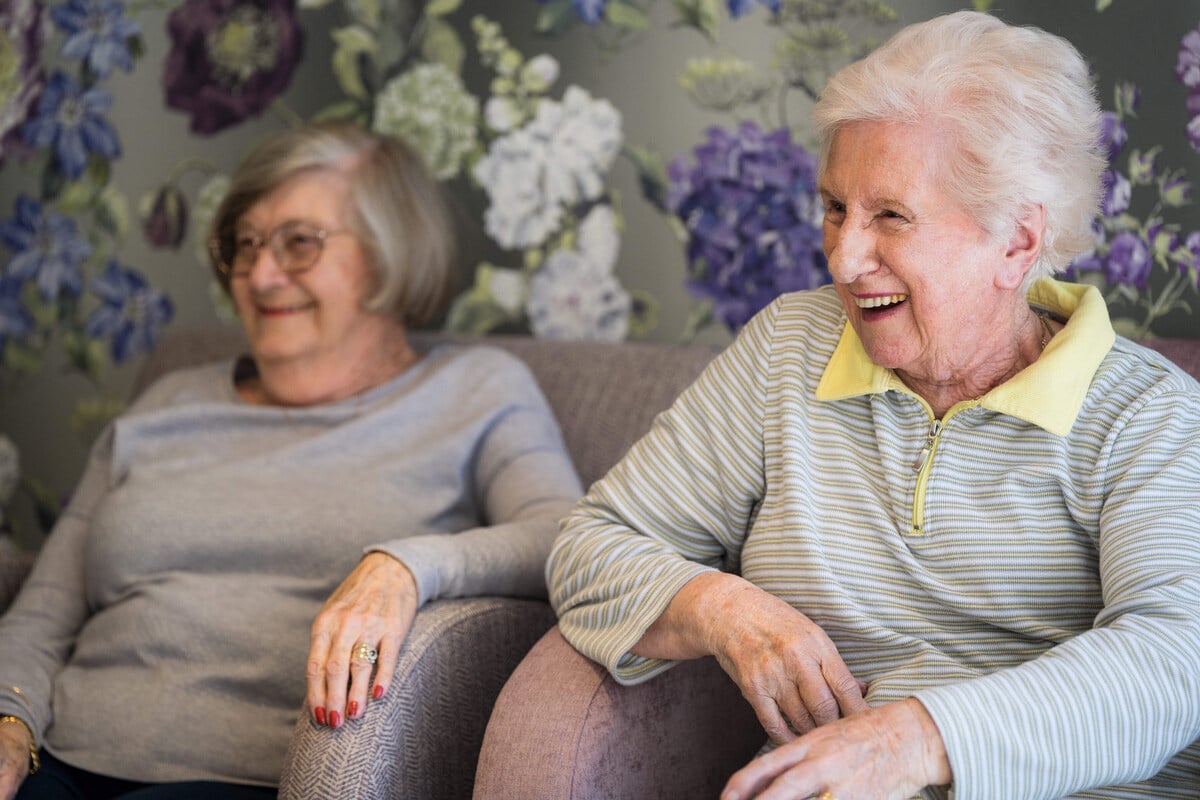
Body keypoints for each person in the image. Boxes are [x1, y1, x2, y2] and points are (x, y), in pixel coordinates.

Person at [547, 11, 1200, 800]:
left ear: (1018, 243)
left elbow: (1174, 660)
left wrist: (914, 742)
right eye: (834, 207)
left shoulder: (1146, 416)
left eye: (890, 216)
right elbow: (592, 547)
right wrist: (723, 608)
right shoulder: (789, 347)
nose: (845, 254)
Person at [0, 122, 582, 799]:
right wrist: (10, 723)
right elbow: (45, 610)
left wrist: (404, 567)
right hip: (59, 760)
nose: (260, 274)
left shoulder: (476, 390)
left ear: (392, 252)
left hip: (248, 779)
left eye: (299, 244)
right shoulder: (170, 397)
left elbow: (565, 537)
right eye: (244, 244)